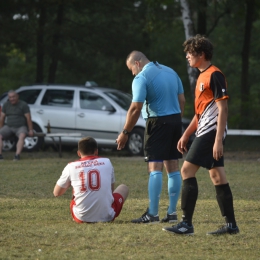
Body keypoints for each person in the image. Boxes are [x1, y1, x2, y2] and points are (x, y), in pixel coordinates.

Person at [162, 34, 239, 235]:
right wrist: (186, 134)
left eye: (190, 53)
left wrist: (218, 140)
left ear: (202, 54)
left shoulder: (215, 75)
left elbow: (223, 109)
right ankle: (231, 226)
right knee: (217, 175)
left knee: (186, 171)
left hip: (211, 131)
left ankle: (186, 224)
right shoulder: (200, 77)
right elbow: (200, 113)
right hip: (205, 129)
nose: (187, 56)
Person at [116, 51, 185, 223]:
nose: (132, 73)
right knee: (173, 166)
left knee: (155, 167)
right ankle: (172, 213)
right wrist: (176, 121)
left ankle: (152, 214)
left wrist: (125, 132)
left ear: (137, 63)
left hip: (157, 122)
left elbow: (135, 108)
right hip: (176, 120)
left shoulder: (141, 77)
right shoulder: (171, 72)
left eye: (131, 68)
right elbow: (182, 100)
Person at [53, 136, 129, 223]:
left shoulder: (71, 166)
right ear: (96, 151)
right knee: (124, 187)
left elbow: (57, 193)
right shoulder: (107, 162)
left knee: (75, 193)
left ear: (78, 153)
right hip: (107, 216)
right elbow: (110, 192)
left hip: (81, 217)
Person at [0, 90, 34, 161]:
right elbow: (2, 117)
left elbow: (28, 118)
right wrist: (1, 128)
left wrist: (30, 130)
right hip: (8, 126)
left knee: (22, 136)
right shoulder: (6, 105)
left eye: (13, 97)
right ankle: (0, 155)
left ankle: (17, 155)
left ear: (17, 96)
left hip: (20, 126)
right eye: (10, 97)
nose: (12, 99)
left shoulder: (23, 105)